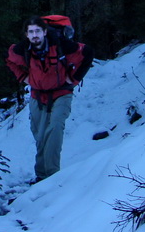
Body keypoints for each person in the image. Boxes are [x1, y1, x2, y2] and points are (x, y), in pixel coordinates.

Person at [6, 16, 94, 182]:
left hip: (62, 93)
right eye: (31, 32)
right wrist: (23, 77)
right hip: (37, 96)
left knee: (54, 129)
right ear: (26, 35)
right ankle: (41, 176)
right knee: (39, 135)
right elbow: (9, 59)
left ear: (45, 32)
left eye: (38, 31)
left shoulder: (61, 45)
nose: (35, 35)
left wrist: (74, 79)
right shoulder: (23, 49)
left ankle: (52, 177)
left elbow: (87, 53)